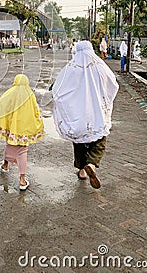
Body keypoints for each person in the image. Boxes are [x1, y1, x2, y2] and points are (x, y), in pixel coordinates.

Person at [52, 40, 118, 189]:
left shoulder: (71, 67)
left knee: (79, 141)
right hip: (97, 111)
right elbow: (113, 84)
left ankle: (82, 171)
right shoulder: (100, 66)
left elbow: (58, 88)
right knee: (100, 140)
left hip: (78, 112)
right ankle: (92, 164)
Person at [0, 74, 45, 191]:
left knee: (10, 145)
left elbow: (2, 105)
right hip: (25, 129)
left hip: (13, 127)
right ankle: (22, 180)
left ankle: (5, 165)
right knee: (22, 150)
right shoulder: (30, 94)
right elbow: (36, 111)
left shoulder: (11, 93)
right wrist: (39, 123)